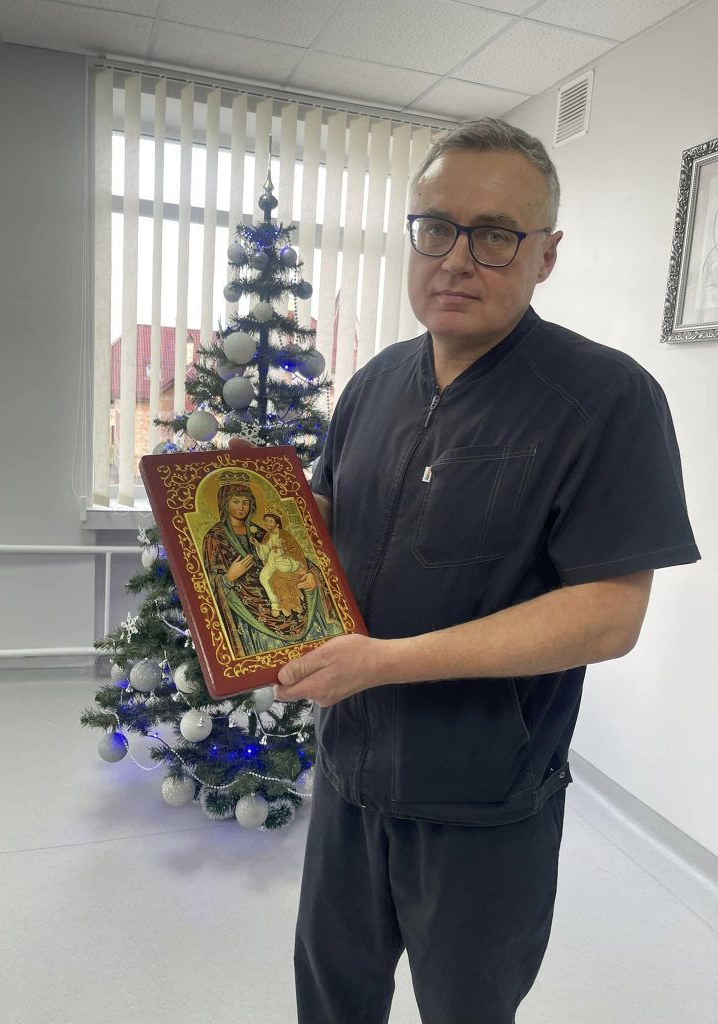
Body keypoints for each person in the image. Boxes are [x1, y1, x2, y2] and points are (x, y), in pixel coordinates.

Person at [272, 118, 702, 1024]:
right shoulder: (374, 384)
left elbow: (606, 616)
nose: (457, 260)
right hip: (349, 773)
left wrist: (385, 663)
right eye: (435, 227)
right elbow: (333, 520)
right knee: (331, 996)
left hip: (482, 804)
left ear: (546, 254)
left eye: (495, 235)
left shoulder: (607, 399)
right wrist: (251, 515)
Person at [202, 471, 340, 657]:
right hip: (246, 603)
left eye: (246, 502)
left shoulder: (260, 532)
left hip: (281, 584)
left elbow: (296, 555)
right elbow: (206, 585)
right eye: (236, 501)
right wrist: (228, 577)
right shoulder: (214, 537)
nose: (241, 507)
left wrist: (312, 574)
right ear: (224, 503)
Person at [254, 508, 307, 617]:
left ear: (277, 524)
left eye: (271, 521)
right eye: (266, 521)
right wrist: (258, 545)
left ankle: (290, 604)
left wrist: (286, 553)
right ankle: (275, 604)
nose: (267, 523)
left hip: (286, 561)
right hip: (272, 562)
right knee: (263, 578)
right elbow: (265, 554)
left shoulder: (285, 535)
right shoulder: (267, 536)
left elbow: (295, 549)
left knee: (280, 572)